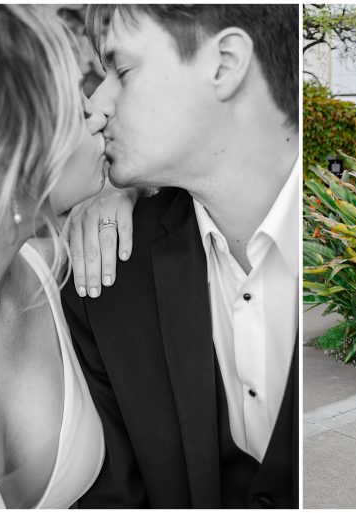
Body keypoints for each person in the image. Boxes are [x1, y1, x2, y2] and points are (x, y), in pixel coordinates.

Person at [59, 5, 299, 508]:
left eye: (121, 70)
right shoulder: (102, 282)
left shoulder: (335, 245)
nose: (95, 106)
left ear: (224, 64)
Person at [0, 4, 109, 508]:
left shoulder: (51, 265)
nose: (99, 112)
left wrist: (120, 193)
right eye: (76, 98)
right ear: (15, 137)